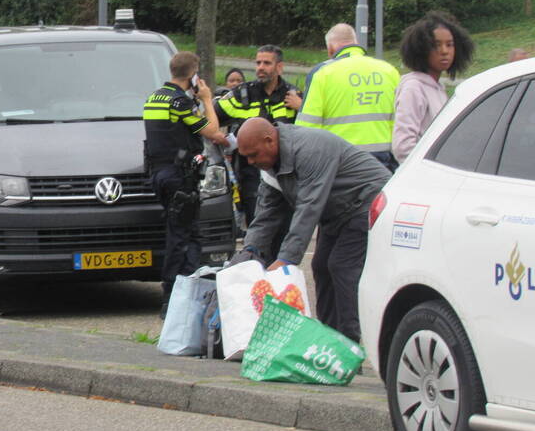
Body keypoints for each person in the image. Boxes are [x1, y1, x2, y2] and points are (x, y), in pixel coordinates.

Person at [234, 117, 391, 341]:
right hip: (336, 212)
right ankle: (328, 341)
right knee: (320, 266)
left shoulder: (310, 149)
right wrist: (249, 253)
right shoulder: (269, 165)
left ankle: (350, 344)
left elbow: (309, 207)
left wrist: (286, 260)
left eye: (253, 155)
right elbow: (266, 214)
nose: (250, 162)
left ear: (270, 141)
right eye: (246, 156)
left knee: (341, 266)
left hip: (366, 202)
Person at [143, 51, 220, 317]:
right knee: (183, 237)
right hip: (180, 178)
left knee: (183, 232)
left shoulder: (154, 97)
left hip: (159, 175)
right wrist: (207, 100)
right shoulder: (179, 103)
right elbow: (213, 132)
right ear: (193, 74)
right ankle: (174, 297)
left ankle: (186, 292)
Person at [212, 45, 301, 227]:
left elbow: (314, 129)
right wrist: (215, 134)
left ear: (279, 67)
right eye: (258, 62)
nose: (260, 67)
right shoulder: (242, 95)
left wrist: (302, 107)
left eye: (267, 63)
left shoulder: (293, 96)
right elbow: (210, 117)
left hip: (286, 174)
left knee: (286, 228)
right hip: (252, 175)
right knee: (257, 227)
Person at [296, 23, 400, 171]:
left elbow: (308, 127)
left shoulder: (322, 73)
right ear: (356, 43)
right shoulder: (389, 71)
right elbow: (399, 119)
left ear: (330, 49)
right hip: (382, 161)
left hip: (339, 162)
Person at [393, 11, 475, 163]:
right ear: (421, 49)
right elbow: (403, 146)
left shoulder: (438, 88)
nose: (444, 51)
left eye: (450, 45)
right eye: (436, 45)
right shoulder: (413, 88)